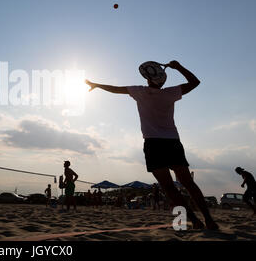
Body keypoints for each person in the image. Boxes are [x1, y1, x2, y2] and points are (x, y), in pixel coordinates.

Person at [86, 60, 219, 230]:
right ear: (162, 80)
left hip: (153, 144)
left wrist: (96, 85)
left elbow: (115, 89)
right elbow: (195, 82)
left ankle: (194, 221)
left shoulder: (139, 91)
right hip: (172, 143)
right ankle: (209, 220)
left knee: (169, 188)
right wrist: (178, 67)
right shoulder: (170, 93)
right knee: (189, 184)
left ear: (147, 78)